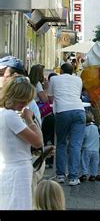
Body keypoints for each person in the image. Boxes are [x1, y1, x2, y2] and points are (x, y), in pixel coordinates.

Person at [0, 77, 43, 210]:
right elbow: (38, 142)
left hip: (8, 166)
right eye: (22, 99)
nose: (24, 103)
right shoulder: (11, 117)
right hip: (19, 169)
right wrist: (29, 119)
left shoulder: (3, 114)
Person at [48, 63, 86, 186]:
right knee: (75, 145)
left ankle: (60, 175)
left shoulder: (54, 79)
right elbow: (78, 95)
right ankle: (73, 177)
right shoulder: (78, 79)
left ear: (61, 70)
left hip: (62, 112)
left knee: (61, 143)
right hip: (79, 111)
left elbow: (50, 98)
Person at [79, 111, 100, 182]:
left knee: (85, 162)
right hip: (96, 149)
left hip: (87, 148)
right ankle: (93, 175)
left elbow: (83, 138)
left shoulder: (85, 129)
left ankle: (84, 174)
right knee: (95, 163)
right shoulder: (95, 127)